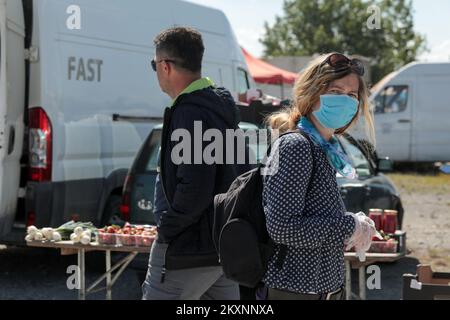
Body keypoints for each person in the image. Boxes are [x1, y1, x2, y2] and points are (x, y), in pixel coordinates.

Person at [261, 53, 377, 300]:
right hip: (296, 291)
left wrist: (350, 224)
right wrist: (350, 227)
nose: (345, 101)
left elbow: (312, 217)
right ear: (312, 94)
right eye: (335, 91)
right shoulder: (297, 146)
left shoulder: (324, 148)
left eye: (351, 95)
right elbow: (283, 228)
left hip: (323, 290)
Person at [142, 27, 246, 300]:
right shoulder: (221, 109)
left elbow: (195, 187)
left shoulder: (189, 112)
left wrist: (167, 230)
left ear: (165, 66)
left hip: (187, 249)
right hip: (222, 247)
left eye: (154, 65)